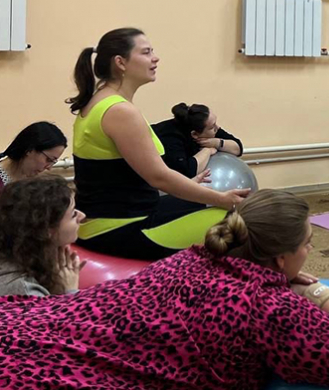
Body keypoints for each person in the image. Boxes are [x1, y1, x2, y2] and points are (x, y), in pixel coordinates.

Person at [0, 189, 329, 388]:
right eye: (307, 244)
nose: (309, 251)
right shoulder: (268, 306)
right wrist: (320, 293)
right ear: (279, 257)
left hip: (25, 326)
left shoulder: (189, 257)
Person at [66, 28, 248, 260]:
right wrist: (222, 199)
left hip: (116, 220)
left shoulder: (100, 102)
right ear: (120, 62)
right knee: (237, 223)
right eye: (146, 52)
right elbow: (159, 177)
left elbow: (125, 176)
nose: (155, 58)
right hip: (118, 229)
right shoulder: (119, 111)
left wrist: (193, 187)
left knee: (206, 204)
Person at [0, 176, 85, 297]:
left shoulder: (22, 259)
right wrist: (70, 293)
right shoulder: (25, 291)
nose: (82, 216)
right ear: (46, 230)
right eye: (73, 214)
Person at [152, 103, 244, 178]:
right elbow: (186, 174)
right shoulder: (171, 138)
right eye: (212, 127)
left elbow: (238, 148)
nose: (217, 128)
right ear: (194, 134)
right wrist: (207, 150)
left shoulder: (205, 126)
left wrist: (217, 143)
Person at [0, 121, 67, 195]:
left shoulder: (36, 182)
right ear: (30, 150)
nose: (49, 168)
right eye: (48, 160)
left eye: (53, 162)